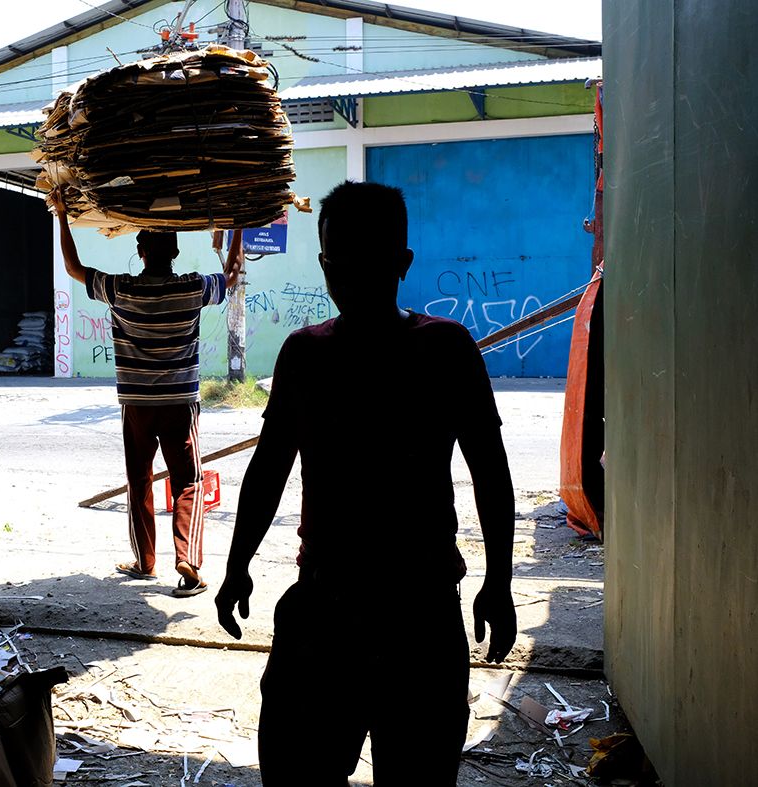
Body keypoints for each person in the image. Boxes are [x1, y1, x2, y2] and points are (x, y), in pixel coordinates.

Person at [214, 181, 516, 784]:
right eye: (334, 260)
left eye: (359, 260)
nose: (343, 274)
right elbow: (269, 469)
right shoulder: (323, 354)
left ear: (401, 263)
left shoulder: (429, 351)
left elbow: (492, 474)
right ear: (324, 262)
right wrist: (235, 563)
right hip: (375, 611)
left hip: (390, 611)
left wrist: (500, 582)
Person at [51, 188, 244, 597]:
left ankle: (145, 560)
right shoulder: (194, 287)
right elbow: (231, 275)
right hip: (179, 404)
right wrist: (238, 225)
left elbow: (72, 267)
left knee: (138, 480)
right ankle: (187, 560)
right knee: (188, 481)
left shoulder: (120, 289)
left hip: (136, 405)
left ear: (141, 252)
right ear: (174, 252)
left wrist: (62, 215)